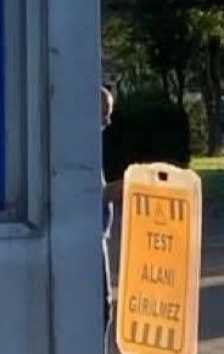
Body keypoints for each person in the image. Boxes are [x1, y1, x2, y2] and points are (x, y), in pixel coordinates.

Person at [101, 86, 122, 352]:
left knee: (103, 309)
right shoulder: (80, 148)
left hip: (99, 238)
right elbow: (86, 195)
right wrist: (122, 187)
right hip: (91, 242)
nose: (108, 121)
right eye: (104, 113)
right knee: (102, 308)